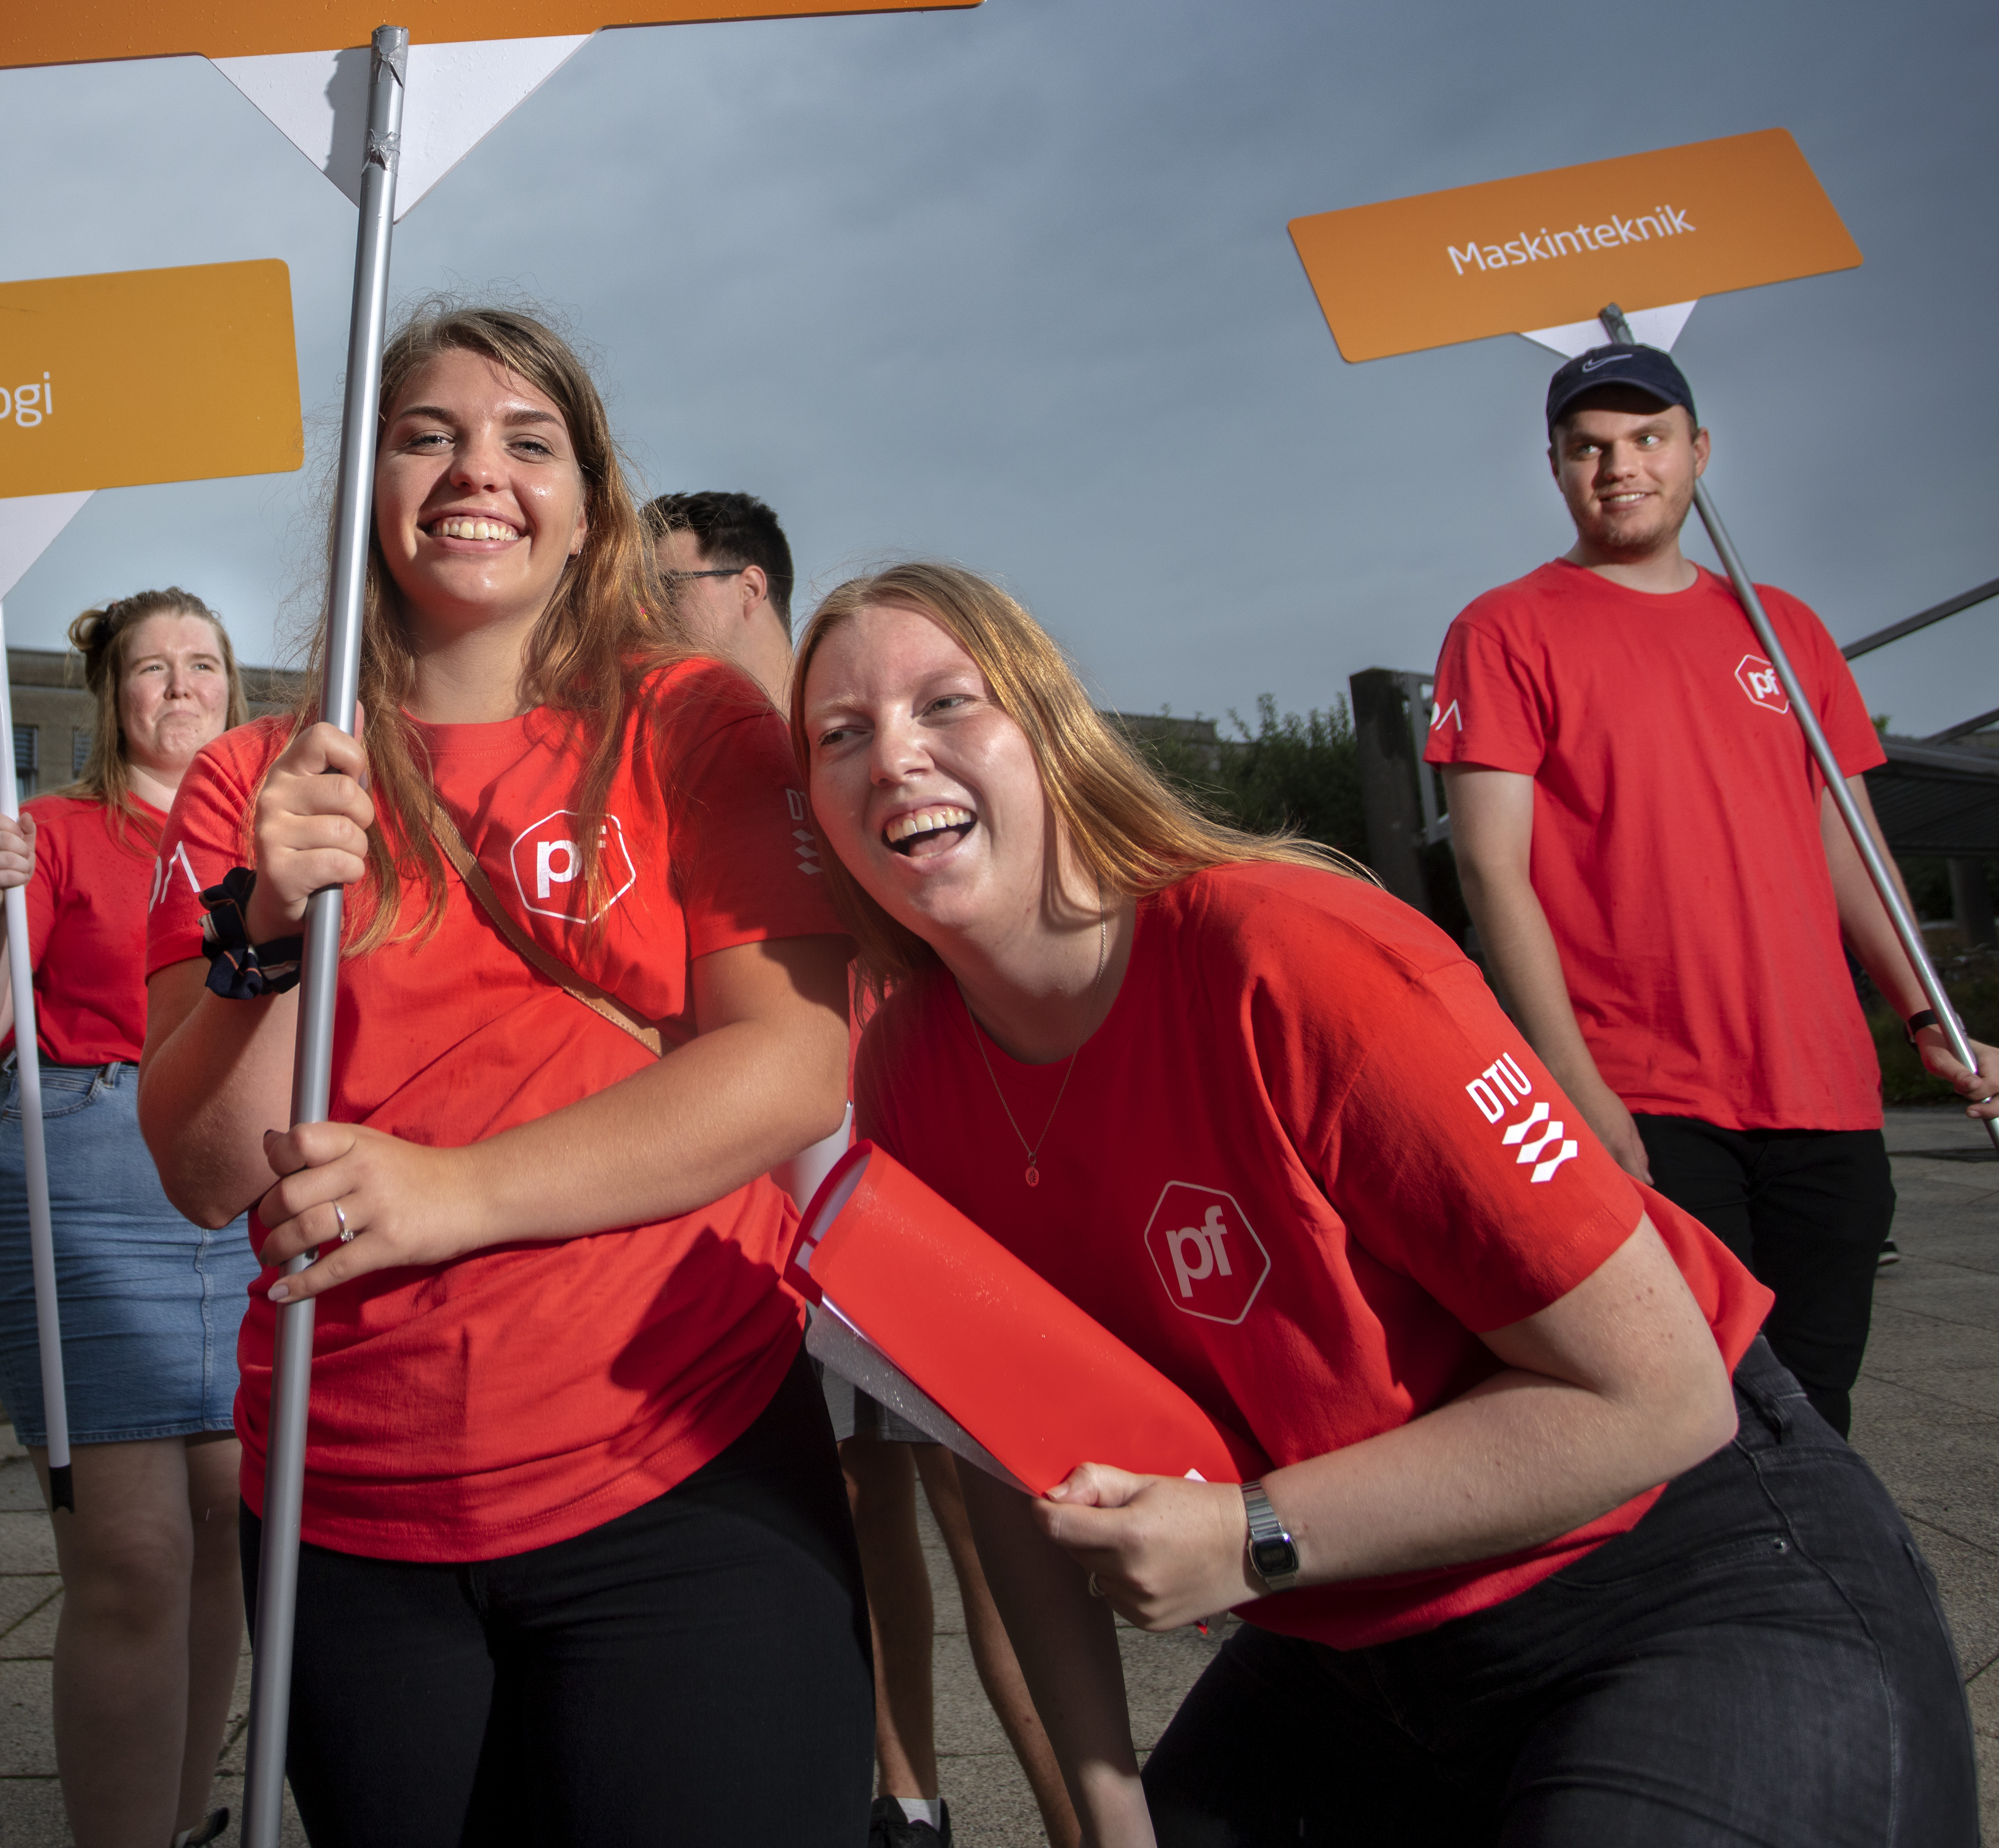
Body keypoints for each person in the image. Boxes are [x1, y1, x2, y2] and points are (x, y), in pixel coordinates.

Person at [794, 559, 1972, 1844]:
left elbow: (1663, 1391)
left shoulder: (1294, 956)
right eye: (840, 734)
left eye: (945, 703)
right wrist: (1110, 1823)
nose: (892, 756)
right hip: (1360, 1641)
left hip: (1675, 1568)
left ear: (1052, 729)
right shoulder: (904, 1074)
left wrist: (1252, 1531)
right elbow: (1021, 1481)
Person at [138, 306, 871, 1846]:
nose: (478, 467)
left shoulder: (688, 719)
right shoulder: (254, 773)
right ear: (373, 488)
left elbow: (794, 1059)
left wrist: (451, 1191)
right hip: (346, 1497)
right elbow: (203, 1170)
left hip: (678, 1462)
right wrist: (264, 929)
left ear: (588, 504)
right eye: (428, 432)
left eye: (527, 439)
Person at [1430, 342, 1994, 1443]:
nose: (1619, 466)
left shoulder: (1785, 631)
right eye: (1587, 447)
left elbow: (1855, 854)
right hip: (1644, 1092)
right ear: (1554, 467)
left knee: (1817, 1409)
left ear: (1697, 452)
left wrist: (1930, 1016)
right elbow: (1491, 871)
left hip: (1822, 1087)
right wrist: (1573, 1087)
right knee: (1698, 1420)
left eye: (1646, 438)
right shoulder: (1503, 630)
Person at [646, 490, 1071, 1848]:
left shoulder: (851, 741)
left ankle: (1083, 1810)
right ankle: (909, 1799)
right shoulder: (672, 760)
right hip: (780, 1177)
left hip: (925, 1150)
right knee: (851, 1495)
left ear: (747, 584)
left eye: (663, 587)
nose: (639, 618)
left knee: (991, 1504)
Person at [0, 589, 259, 1848]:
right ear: (108, 696)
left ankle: (180, 1819)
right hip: (89, 1187)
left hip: (235, 1179)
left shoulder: (263, 835)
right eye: (151, 668)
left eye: (202, 662)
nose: (180, 687)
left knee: (224, 1528)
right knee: (134, 1550)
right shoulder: (48, 834)